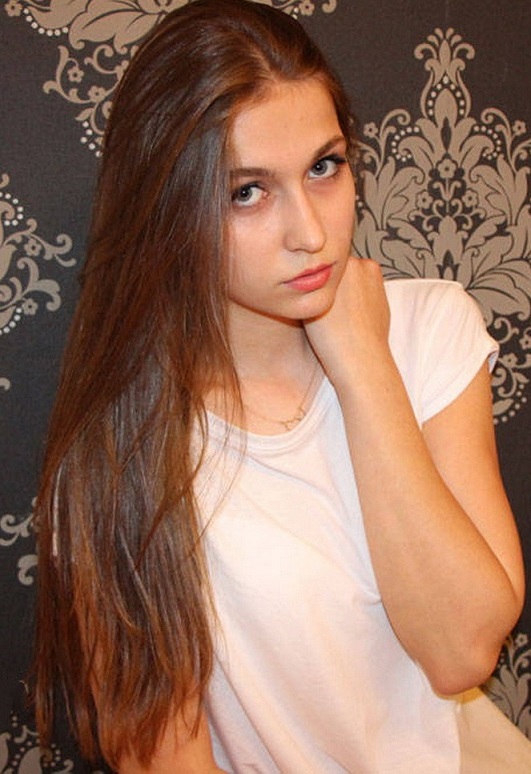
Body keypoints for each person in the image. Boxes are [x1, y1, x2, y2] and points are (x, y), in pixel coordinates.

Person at [32, 0, 526, 771]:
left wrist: (362, 364)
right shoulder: (117, 458)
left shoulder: (429, 329)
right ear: (167, 209)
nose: (311, 233)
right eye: (246, 192)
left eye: (324, 167)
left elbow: (460, 651)